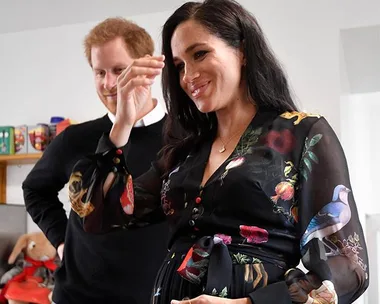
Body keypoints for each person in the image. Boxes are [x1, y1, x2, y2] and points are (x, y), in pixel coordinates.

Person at [68, 0, 369, 303]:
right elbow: (98, 214)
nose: (188, 76)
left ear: (242, 51)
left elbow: (347, 266)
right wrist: (122, 122)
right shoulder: (183, 151)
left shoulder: (303, 133)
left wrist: (248, 303)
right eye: (179, 66)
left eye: (200, 54)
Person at [22, 18, 169, 304]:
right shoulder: (74, 139)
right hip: (77, 296)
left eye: (118, 70)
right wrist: (63, 242)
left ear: (147, 68)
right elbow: (35, 191)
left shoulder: (183, 138)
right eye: (99, 72)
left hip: (153, 297)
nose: (108, 83)